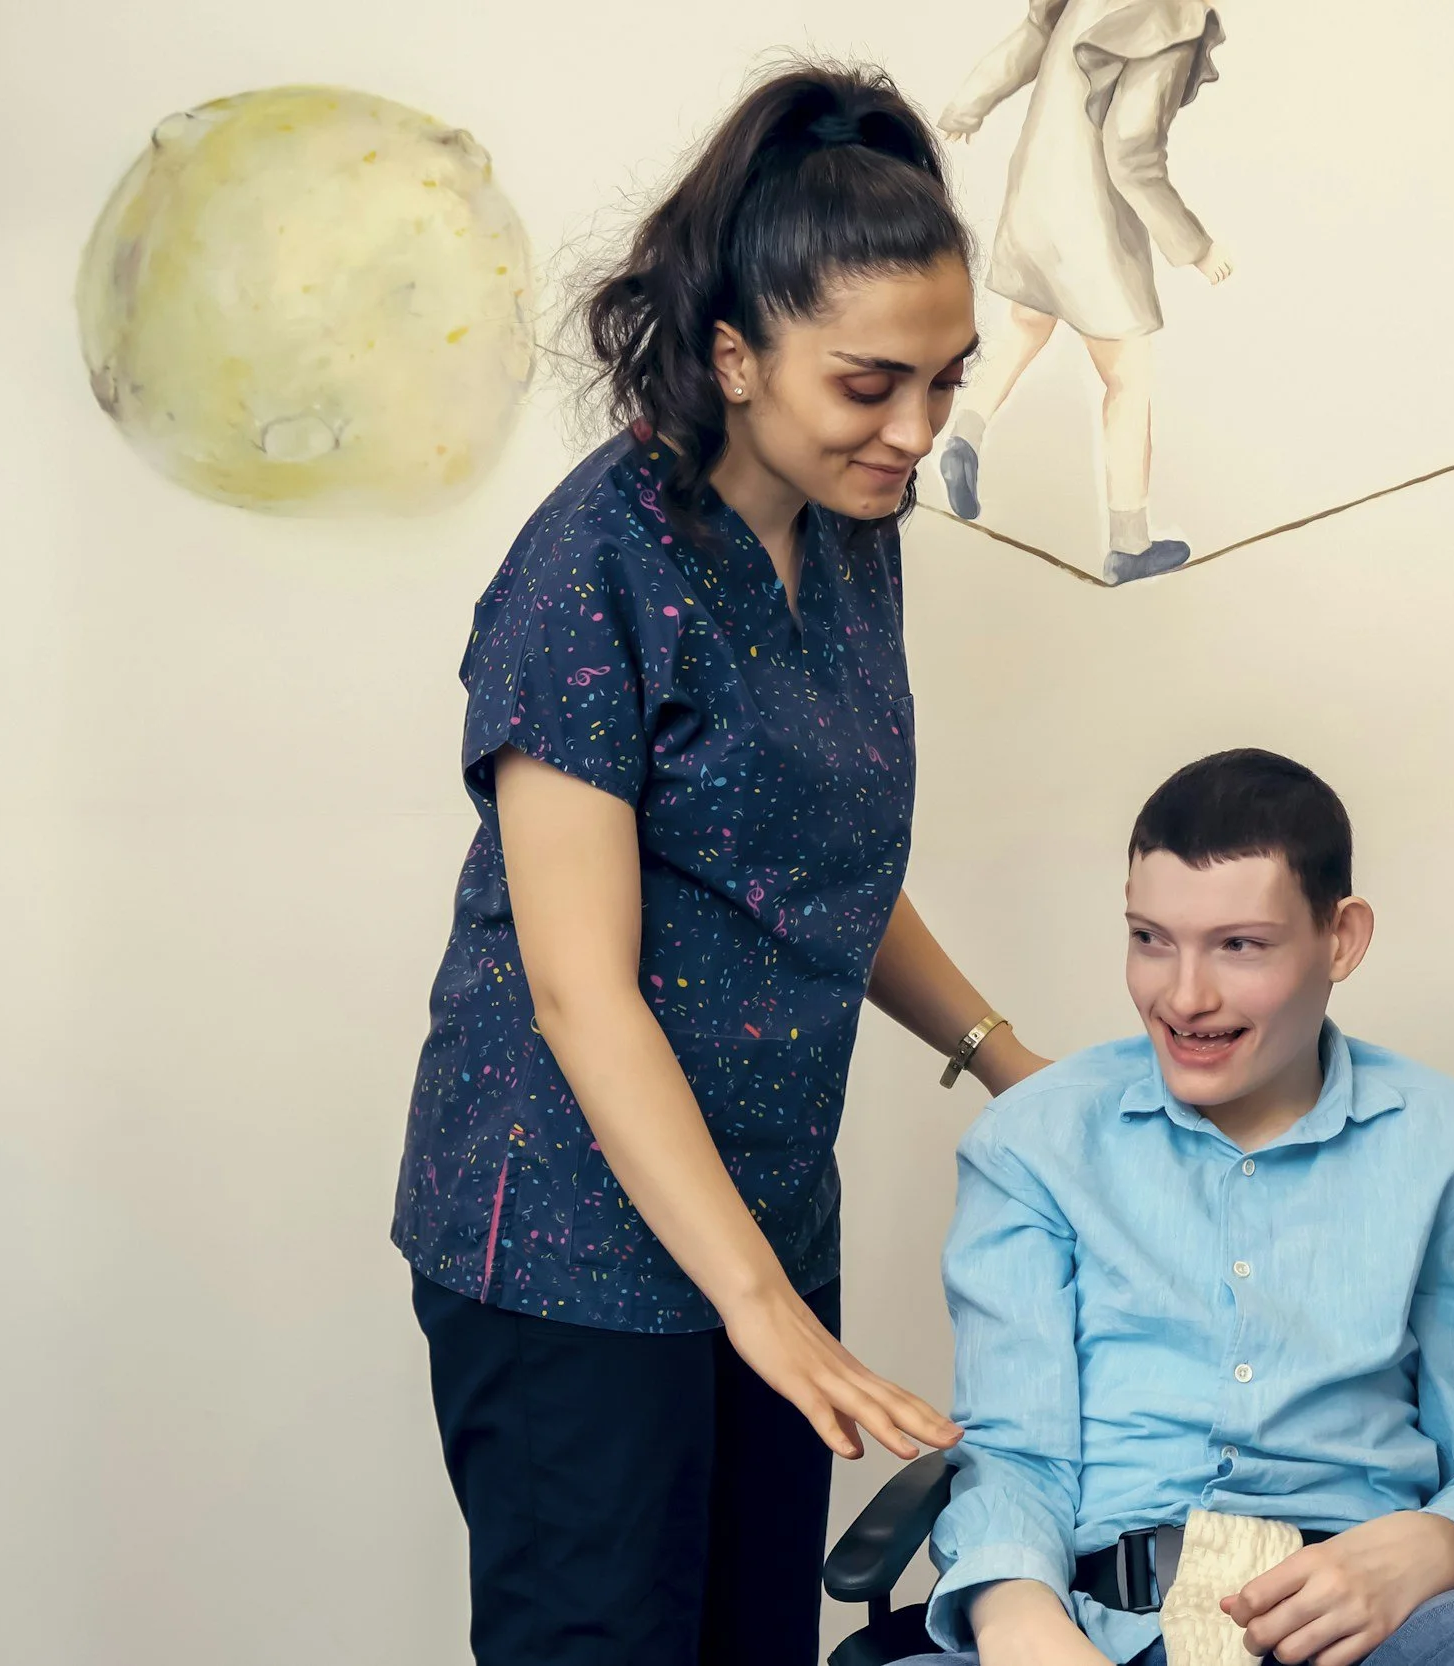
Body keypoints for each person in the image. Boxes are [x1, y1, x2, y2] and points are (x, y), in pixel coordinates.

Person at [389, 63, 1050, 1666]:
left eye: (945, 382)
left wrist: (1010, 1064)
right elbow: (578, 988)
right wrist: (760, 1307)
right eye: (871, 384)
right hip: (567, 1247)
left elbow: (813, 865)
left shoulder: (851, 534)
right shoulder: (590, 570)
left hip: (765, 1216)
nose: (917, 432)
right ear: (735, 354)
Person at [901, 750, 1454, 1666]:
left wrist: (1441, 1545)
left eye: (1240, 946)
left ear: (1341, 938)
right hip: (1101, 1624)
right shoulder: (1034, 1140)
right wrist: (1018, 1622)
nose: (1185, 997)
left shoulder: (1443, 1143)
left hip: (1374, 1622)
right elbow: (1014, 1454)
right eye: (1151, 939)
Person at [935, 0, 1234, 586]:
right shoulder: (1172, 16)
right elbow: (1131, 151)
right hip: (1092, 225)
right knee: (1128, 380)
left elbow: (1029, 39)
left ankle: (964, 434)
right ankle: (1129, 543)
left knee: (1025, 328)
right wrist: (1196, 246)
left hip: (1036, 194)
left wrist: (968, 106)